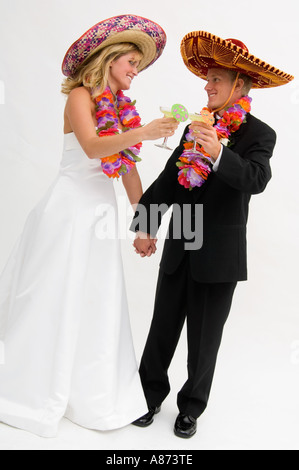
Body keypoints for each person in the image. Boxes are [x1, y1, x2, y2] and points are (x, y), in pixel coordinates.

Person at [0, 14, 178, 438]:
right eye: (132, 61)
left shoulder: (121, 109)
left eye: (138, 64)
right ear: (110, 58)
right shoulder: (80, 96)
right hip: (67, 210)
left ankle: (88, 390)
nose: (136, 70)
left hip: (99, 212)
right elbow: (94, 146)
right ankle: (32, 385)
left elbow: (129, 171)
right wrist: (144, 131)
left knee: (96, 296)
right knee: (52, 292)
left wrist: (144, 224)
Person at [131, 31, 293, 438]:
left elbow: (256, 180)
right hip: (179, 246)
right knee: (161, 329)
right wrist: (146, 226)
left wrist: (220, 152)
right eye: (207, 80)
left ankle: (191, 409)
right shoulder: (194, 128)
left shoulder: (260, 134)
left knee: (205, 342)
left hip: (218, 257)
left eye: (215, 79)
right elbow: (169, 181)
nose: (207, 86)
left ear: (239, 85)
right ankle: (146, 398)